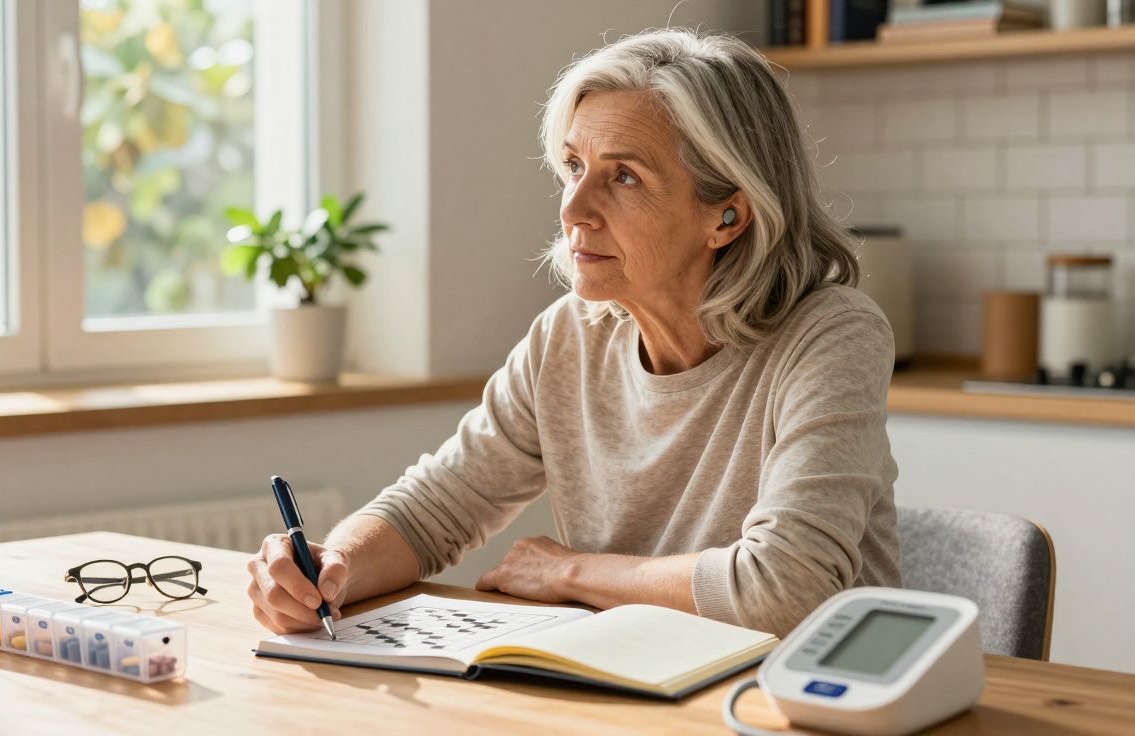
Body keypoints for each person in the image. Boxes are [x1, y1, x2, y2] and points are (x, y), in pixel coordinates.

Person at [246, 28, 900, 639]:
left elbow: (788, 589)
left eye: (624, 176)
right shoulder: (568, 339)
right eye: (572, 166)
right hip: (636, 685)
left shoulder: (831, 337)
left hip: (805, 699)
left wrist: (568, 572)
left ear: (726, 216)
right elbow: (432, 511)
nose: (573, 208)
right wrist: (332, 568)